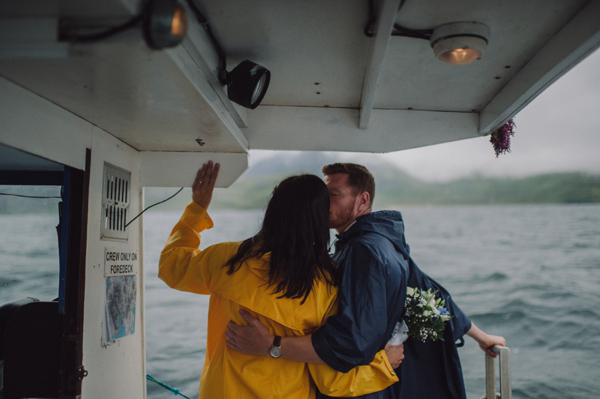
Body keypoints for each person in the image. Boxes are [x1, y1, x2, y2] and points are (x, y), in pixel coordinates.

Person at [225, 162, 506, 399]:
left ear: (363, 200)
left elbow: (350, 343)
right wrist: (481, 337)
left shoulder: (363, 251)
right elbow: (426, 296)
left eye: (334, 195)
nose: (324, 204)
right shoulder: (384, 243)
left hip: (362, 388)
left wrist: (271, 346)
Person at [158, 161, 399, 399]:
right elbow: (332, 383)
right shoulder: (322, 287)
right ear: (318, 223)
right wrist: (383, 366)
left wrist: (197, 209)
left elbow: (171, 266)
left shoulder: (226, 259)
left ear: (273, 208)